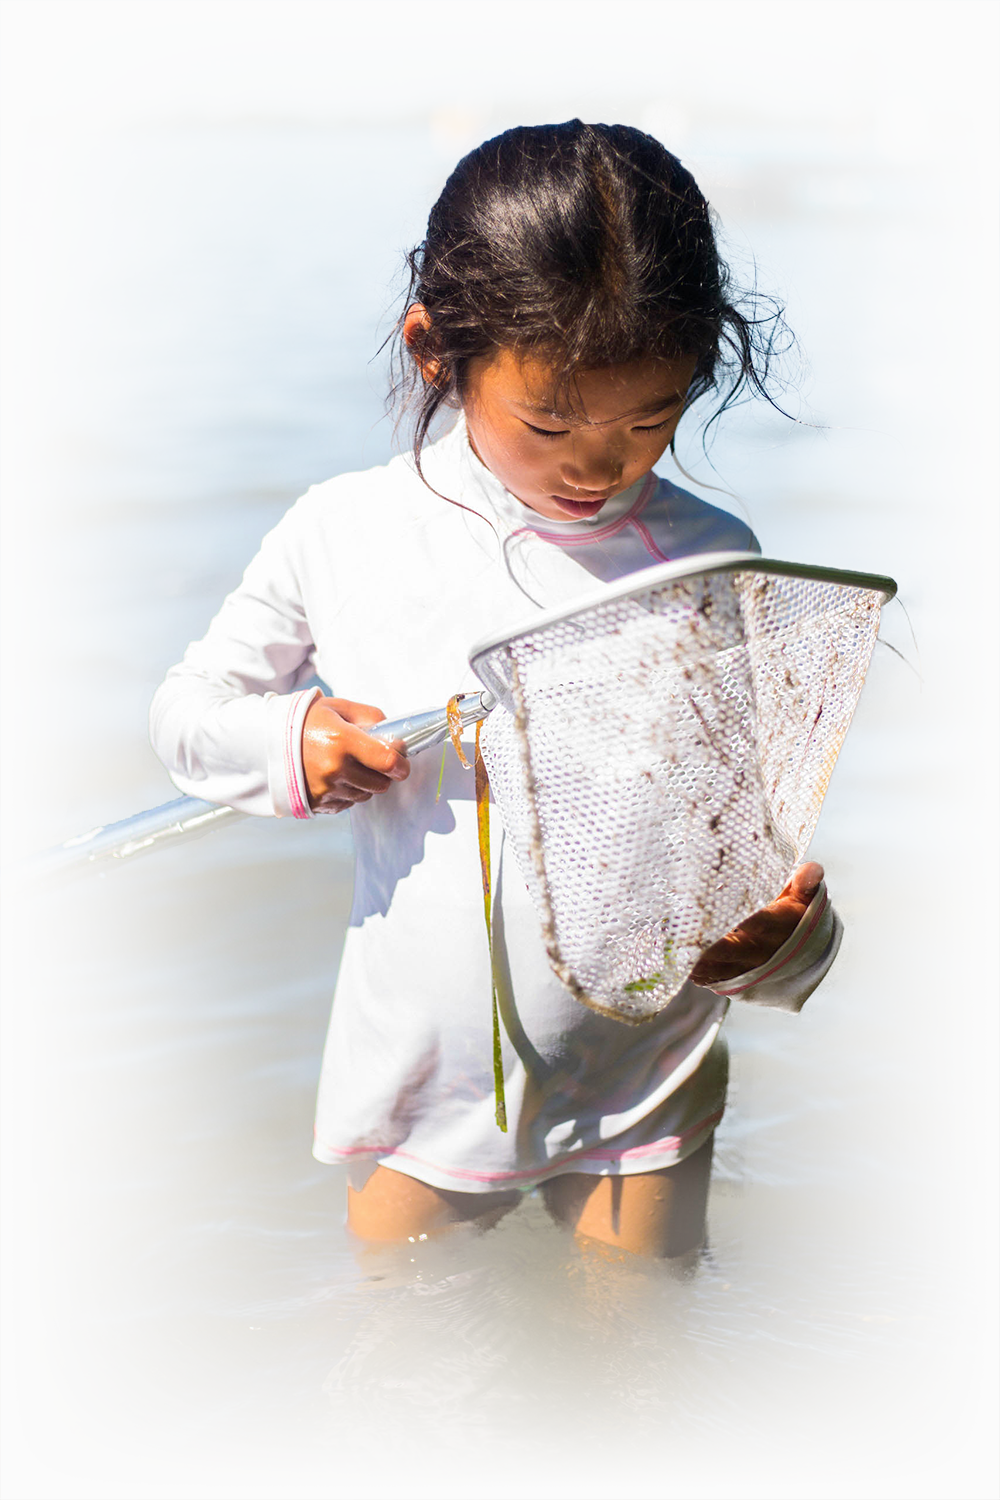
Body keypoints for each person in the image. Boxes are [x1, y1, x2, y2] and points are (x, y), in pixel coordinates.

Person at [151, 121, 842, 1262]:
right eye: (549, 423)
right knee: (401, 1372)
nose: (598, 465)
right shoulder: (346, 532)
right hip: (428, 1079)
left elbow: (740, 832)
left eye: (650, 419)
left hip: (645, 1071)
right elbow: (187, 717)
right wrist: (295, 740)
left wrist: (784, 941)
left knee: (644, 1368)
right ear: (435, 348)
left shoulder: (710, 555)